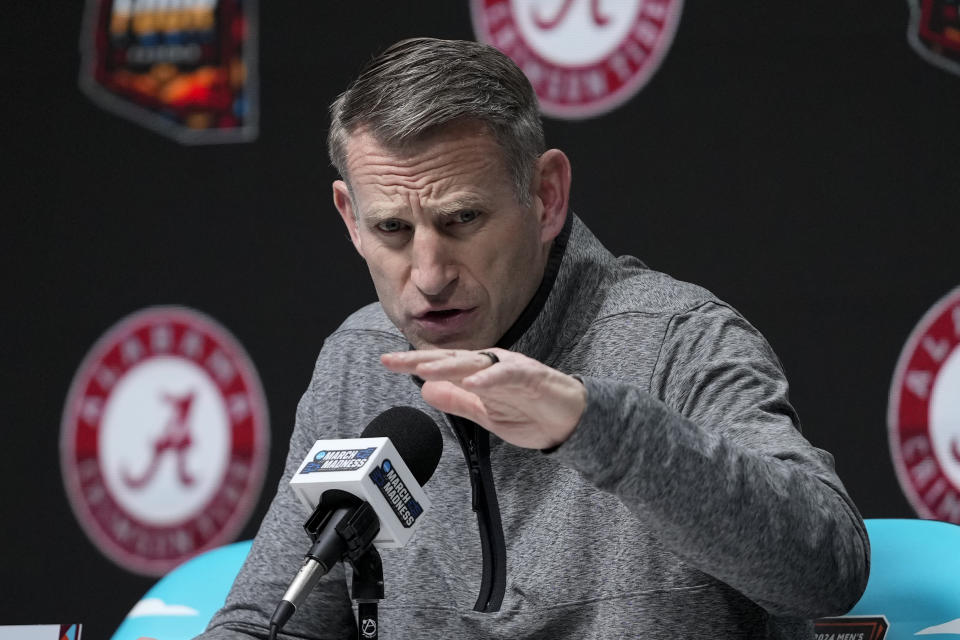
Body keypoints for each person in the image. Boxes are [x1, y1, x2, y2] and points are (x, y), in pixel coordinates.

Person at [199, 37, 869, 639]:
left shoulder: (679, 340)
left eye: (463, 219)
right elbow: (271, 621)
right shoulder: (357, 361)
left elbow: (826, 571)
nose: (429, 277)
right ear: (350, 217)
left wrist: (597, 426)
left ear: (545, 196)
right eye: (393, 230)